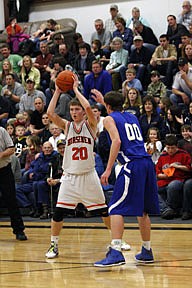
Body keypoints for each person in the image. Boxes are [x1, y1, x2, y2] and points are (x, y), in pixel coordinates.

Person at [45, 76, 131, 259]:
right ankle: (54, 245)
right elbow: (50, 113)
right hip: (69, 176)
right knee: (58, 212)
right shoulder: (67, 126)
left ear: (83, 113)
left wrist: (76, 90)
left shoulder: (91, 125)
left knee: (103, 211)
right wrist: (58, 92)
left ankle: (117, 240)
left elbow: (89, 109)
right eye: (72, 110)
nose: (74, 112)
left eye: (77, 109)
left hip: (89, 175)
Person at [91, 89, 159, 267]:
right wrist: (104, 101)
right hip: (146, 163)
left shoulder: (108, 119)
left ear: (107, 106)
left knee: (114, 208)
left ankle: (115, 252)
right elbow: (117, 116)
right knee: (142, 210)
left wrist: (107, 170)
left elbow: (117, 141)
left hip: (132, 164)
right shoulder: (132, 116)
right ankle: (146, 250)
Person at [0, 126, 27, 240]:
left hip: (4, 169)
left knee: (11, 200)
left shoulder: (1, 131)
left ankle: (19, 230)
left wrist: (0, 155)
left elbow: (11, 149)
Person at [156, 134, 191, 220]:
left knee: (173, 185)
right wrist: (163, 175)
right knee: (150, 188)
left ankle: (173, 209)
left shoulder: (184, 154)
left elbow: (189, 168)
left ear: (177, 147)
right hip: (164, 180)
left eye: (173, 148)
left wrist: (178, 166)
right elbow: (157, 172)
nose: (170, 150)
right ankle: (166, 209)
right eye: (168, 148)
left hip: (179, 179)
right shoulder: (163, 156)